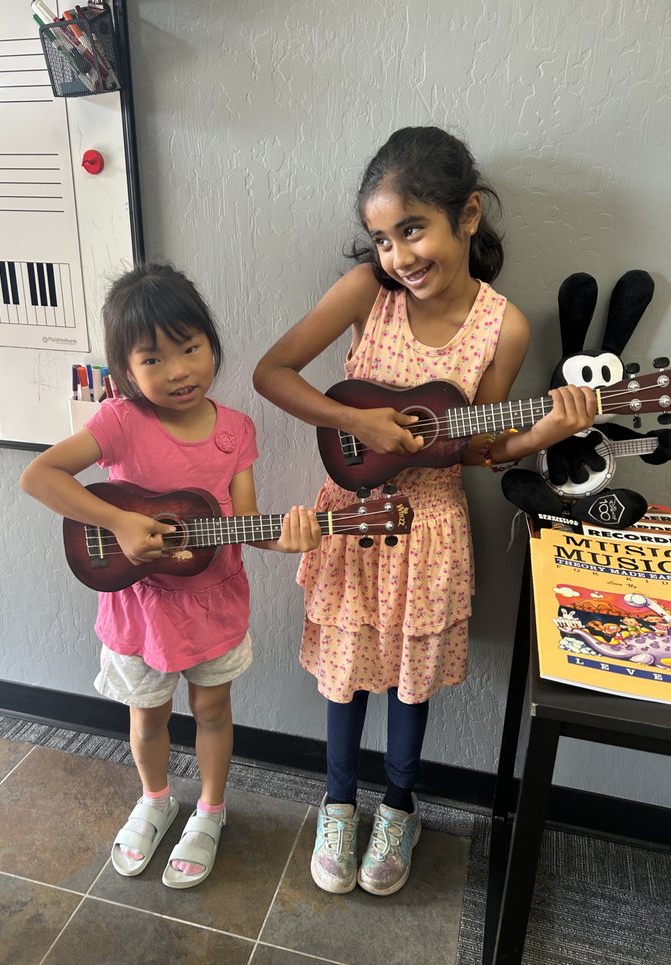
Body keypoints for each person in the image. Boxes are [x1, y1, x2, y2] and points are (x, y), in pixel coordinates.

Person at [253, 125, 595, 896]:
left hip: (429, 528)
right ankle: (339, 801)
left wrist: (547, 431)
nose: (398, 256)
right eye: (383, 239)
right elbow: (272, 373)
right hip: (351, 517)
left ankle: (399, 807)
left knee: (409, 680)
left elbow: (478, 446)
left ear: (467, 214)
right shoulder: (366, 293)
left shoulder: (504, 326)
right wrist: (358, 422)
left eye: (412, 230)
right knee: (346, 674)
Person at [21, 262, 321, 888]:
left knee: (212, 709)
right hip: (141, 608)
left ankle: (210, 810)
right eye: (153, 359)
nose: (179, 370)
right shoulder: (119, 422)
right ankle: (155, 799)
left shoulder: (235, 430)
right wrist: (120, 523)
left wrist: (288, 537)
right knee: (147, 715)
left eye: (190, 348)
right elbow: (39, 476)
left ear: (212, 344)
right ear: (126, 371)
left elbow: (245, 523)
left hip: (212, 604)